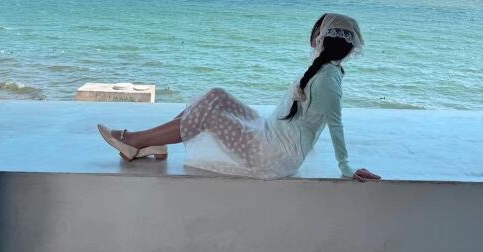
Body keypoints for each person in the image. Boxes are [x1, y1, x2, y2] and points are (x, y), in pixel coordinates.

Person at [98, 13, 381, 182]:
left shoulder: (328, 80)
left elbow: (336, 124)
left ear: (322, 39)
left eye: (317, 32)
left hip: (272, 155)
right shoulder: (325, 69)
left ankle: (137, 141)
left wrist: (346, 167)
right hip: (268, 131)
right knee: (216, 95)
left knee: (209, 115)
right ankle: (155, 142)